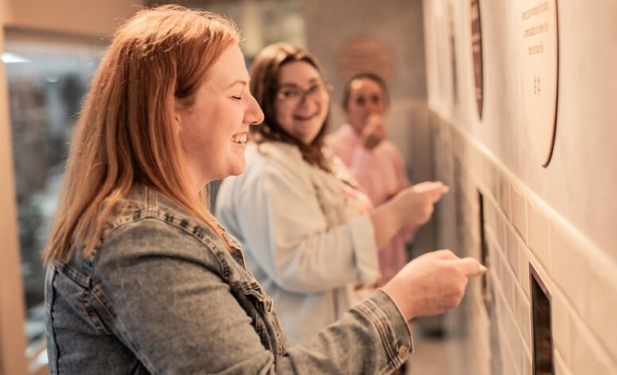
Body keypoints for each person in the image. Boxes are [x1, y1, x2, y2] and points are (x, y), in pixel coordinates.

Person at [42, 5, 484, 375]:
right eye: (237, 96)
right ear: (168, 110)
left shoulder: (160, 222)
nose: (255, 114)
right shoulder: (140, 242)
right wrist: (400, 301)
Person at [214, 43, 449, 347]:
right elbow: (302, 264)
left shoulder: (312, 154)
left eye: (314, 88)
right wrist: (395, 215)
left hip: (331, 337)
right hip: (299, 344)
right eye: (289, 92)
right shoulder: (267, 170)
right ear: (266, 100)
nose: (307, 102)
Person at [327, 72, 413, 287]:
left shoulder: (390, 152)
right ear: (346, 109)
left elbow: (406, 226)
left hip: (391, 263)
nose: (369, 107)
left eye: (376, 99)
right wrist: (365, 150)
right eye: (360, 100)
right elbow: (342, 207)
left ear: (385, 107)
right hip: (354, 266)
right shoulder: (331, 148)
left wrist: (404, 199)